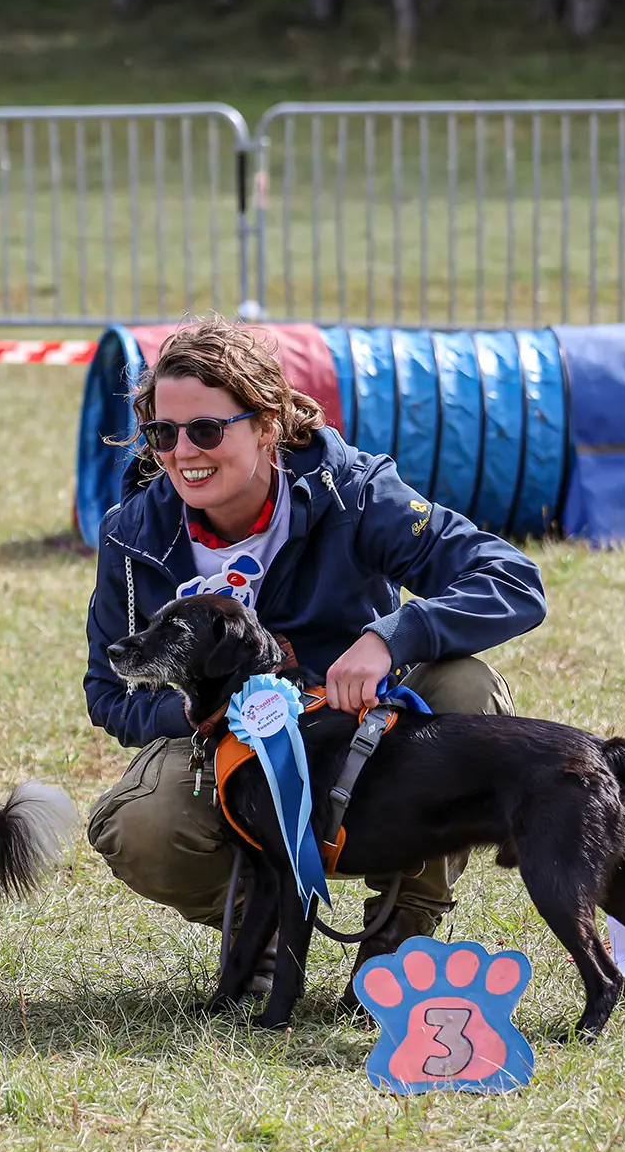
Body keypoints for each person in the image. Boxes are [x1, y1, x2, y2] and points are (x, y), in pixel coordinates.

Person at [82, 316, 548, 1002]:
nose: (184, 452)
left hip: (361, 738)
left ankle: (401, 937)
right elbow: (108, 692)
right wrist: (224, 720)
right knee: (140, 824)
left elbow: (513, 581)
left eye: (207, 429)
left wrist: (395, 635)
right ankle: (260, 930)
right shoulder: (134, 533)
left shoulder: (353, 492)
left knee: (466, 686)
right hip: (220, 747)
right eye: (163, 433)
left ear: (266, 423)